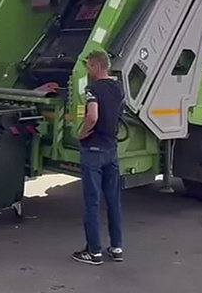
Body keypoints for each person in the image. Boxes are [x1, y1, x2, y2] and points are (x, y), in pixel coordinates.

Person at [72, 50, 126, 266]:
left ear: (96, 66)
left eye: (88, 66)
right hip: (111, 149)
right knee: (113, 200)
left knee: (92, 202)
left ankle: (94, 252)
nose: (87, 69)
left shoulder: (92, 89)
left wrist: (82, 133)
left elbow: (92, 116)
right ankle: (117, 247)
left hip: (93, 150)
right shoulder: (118, 88)